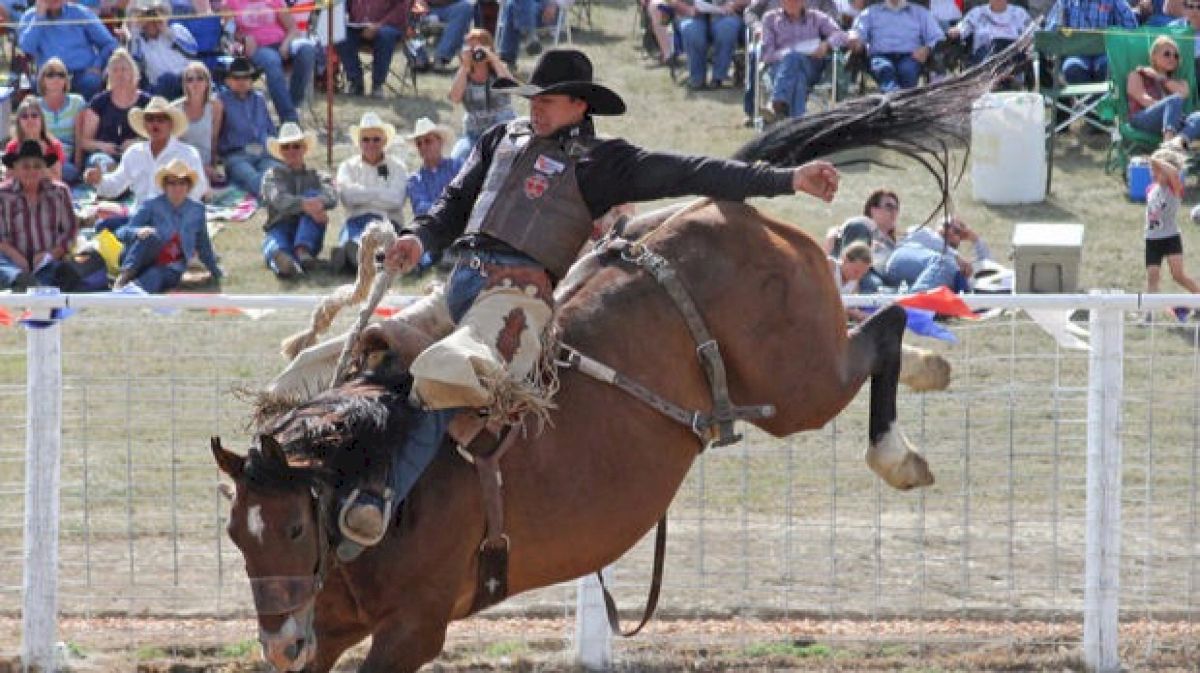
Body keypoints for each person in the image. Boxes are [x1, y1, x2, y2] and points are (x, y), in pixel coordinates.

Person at [321, 48, 840, 550]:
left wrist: (787, 179)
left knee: (443, 376)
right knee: (370, 352)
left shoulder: (603, 163)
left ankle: (376, 499)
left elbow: (697, 172)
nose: (536, 106)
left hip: (516, 303)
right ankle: (312, 471)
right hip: (459, 285)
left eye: (549, 99)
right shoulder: (501, 138)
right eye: (533, 97)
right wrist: (420, 238)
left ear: (579, 106)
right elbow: (453, 204)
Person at [83, 96, 208, 231]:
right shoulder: (134, 152)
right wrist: (98, 180)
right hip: (139, 218)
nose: (155, 124)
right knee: (102, 228)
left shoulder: (187, 153)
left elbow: (198, 188)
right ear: (144, 124)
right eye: (150, 119)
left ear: (170, 124)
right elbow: (115, 185)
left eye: (161, 120)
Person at [113, 159, 221, 292]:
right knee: (151, 236)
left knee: (154, 277)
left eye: (182, 183)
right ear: (164, 186)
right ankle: (123, 278)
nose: (177, 188)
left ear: (188, 186)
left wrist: (215, 271)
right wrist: (138, 232)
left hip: (171, 265)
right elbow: (121, 232)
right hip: (141, 258)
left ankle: (128, 292)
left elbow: (204, 244)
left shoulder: (197, 210)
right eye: (172, 183)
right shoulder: (151, 205)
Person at [333, 112, 408, 274]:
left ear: (385, 141)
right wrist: (380, 193)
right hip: (355, 220)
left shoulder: (398, 167)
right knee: (353, 236)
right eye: (365, 139)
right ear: (359, 142)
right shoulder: (347, 166)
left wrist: (362, 193)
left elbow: (396, 200)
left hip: (387, 221)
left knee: (381, 239)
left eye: (376, 139)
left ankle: (357, 257)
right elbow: (347, 197)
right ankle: (359, 255)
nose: (371, 144)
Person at [0, 141, 79, 291]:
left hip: (49, 260)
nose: (32, 171)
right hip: (10, 260)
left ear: (45, 169)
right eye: (26, 166)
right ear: (15, 169)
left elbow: (71, 230)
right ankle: (20, 281)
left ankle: (31, 284)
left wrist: (50, 254)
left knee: (61, 269)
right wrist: (17, 257)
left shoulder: (60, 192)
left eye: (37, 166)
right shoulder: (2, 194)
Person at [260, 122, 336, 277]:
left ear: (304, 148)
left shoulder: (318, 176)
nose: (291, 151)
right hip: (280, 226)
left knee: (312, 195)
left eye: (296, 146)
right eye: (286, 147)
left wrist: (315, 204)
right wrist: (305, 205)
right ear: (280, 152)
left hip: (308, 228)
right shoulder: (271, 175)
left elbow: (332, 196)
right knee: (275, 245)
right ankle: (287, 263)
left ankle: (302, 252)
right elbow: (278, 198)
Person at [224, 0, 317, 123]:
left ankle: (293, 104)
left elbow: (293, 28)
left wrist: (286, 44)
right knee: (272, 60)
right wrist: (243, 39)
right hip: (257, 48)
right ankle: (290, 120)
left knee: (307, 49)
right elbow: (228, 34)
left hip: (283, 42)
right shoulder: (230, 3)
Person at [759, 0, 847, 119]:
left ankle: (776, 103)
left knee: (795, 61)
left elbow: (841, 35)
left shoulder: (816, 17)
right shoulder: (770, 19)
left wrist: (826, 44)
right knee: (798, 75)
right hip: (779, 68)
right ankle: (797, 123)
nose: (791, 3)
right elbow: (767, 55)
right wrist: (790, 53)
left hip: (811, 66)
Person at [17, 0, 118, 100]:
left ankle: (87, 114)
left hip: (82, 72)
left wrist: (97, 65)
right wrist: (39, 18)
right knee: (39, 85)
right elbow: (26, 48)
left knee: (91, 81)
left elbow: (109, 43)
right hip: (50, 73)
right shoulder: (29, 17)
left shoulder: (80, 13)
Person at [1143, 146, 1200, 318]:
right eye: (1152, 171)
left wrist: (1156, 160)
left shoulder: (1174, 188)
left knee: (1178, 275)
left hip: (1170, 238)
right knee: (1153, 277)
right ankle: (1148, 315)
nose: (1153, 174)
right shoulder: (1151, 189)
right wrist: (1156, 164)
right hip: (1152, 239)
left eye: (1157, 171)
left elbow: (1174, 172)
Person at [77, 49, 152, 172]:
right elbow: (85, 141)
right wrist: (102, 146)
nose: (120, 74)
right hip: (104, 155)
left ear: (133, 73)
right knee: (99, 162)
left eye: (124, 69)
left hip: (137, 153)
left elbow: (158, 134)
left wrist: (137, 143)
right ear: (109, 75)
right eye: (115, 70)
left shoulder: (146, 102)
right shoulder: (99, 102)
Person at [448, 28, 517, 161]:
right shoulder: (463, 74)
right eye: (471, 48)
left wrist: (492, 58)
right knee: (457, 159)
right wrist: (465, 67)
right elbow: (455, 98)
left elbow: (512, 87)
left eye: (479, 47)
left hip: (504, 131)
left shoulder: (499, 70)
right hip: (474, 134)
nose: (476, 52)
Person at [847, 0, 944, 92]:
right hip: (881, 55)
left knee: (907, 70)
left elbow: (938, 37)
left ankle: (898, 100)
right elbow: (857, 34)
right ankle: (898, 100)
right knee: (885, 69)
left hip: (910, 56)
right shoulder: (869, 13)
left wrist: (927, 49)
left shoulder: (920, 13)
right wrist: (856, 40)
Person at [216, 57, 278, 197]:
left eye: (246, 77)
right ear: (228, 81)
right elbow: (214, 135)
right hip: (236, 155)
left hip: (263, 153)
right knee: (252, 179)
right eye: (236, 78)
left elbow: (270, 129)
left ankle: (277, 196)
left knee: (280, 172)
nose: (242, 82)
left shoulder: (260, 99)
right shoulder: (220, 101)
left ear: (251, 80)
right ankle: (276, 198)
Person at [885, 216, 991, 293]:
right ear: (936, 227)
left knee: (955, 274)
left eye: (957, 231)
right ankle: (916, 307)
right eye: (947, 225)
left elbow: (988, 267)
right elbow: (919, 234)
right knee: (945, 263)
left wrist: (975, 239)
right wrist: (956, 257)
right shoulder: (923, 233)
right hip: (900, 261)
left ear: (960, 239)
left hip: (914, 280)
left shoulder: (955, 264)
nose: (950, 231)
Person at [824, 189, 901, 291]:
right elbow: (854, 263)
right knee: (873, 285)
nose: (894, 212)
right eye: (889, 206)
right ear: (873, 210)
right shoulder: (862, 225)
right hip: (863, 276)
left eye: (896, 208)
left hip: (883, 278)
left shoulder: (892, 242)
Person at [1044, 0, 1138, 84]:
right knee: (1072, 68)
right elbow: (1049, 33)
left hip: (1105, 54)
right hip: (1076, 54)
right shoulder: (1065, 2)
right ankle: (1091, 103)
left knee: (1108, 67)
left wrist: (1116, 35)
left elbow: (1131, 29)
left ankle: (1097, 102)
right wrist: (1058, 30)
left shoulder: (1114, 2)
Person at [1127, 36, 1200, 143]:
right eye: (1167, 54)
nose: (1172, 58)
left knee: (1198, 116)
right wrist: (1170, 110)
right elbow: (1142, 98)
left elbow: (1184, 93)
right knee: (1174, 99)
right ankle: (1168, 142)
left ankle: (1177, 143)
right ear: (1154, 56)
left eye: (1176, 56)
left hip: (1173, 121)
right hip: (1143, 118)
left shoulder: (1181, 82)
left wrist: (1160, 77)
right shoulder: (1137, 75)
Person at [334, 0, 412, 97]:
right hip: (358, 27)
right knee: (339, 35)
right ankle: (355, 82)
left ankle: (377, 85)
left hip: (388, 27)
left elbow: (401, 9)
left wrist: (379, 25)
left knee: (385, 35)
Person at [126, 0, 196, 99]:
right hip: (161, 87)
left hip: (186, 80)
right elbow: (135, 63)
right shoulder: (138, 42)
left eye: (155, 15)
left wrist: (167, 32)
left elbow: (192, 52)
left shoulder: (177, 29)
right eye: (146, 17)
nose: (152, 21)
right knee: (167, 80)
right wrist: (135, 31)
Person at [674, 0, 749, 90]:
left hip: (726, 14)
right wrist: (687, 9)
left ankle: (718, 77)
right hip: (693, 14)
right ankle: (697, 79)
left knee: (727, 28)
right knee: (692, 30)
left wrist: (734, 4)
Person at [172, 61, 224, 185]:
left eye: (200, 78)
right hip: (183, 164)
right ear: (185, 84)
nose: (195, 83)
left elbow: (214, 139)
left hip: (206, 163)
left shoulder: (215, 106)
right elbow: (173, 146)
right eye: (190, 79)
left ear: (207, 82)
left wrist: (213, 166)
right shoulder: (175, 108)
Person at [35, 59, 87, 183]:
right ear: (42, 80)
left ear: (66, 80)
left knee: (69, 172)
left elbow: (79, 139)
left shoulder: (77, 102)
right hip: (41, 155)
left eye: (61, 74)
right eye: (50, 75)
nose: (56, 78)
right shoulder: (35, 105)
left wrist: (78, 167)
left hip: (65, 158)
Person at [405, 117, 463, 218]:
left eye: (428, 141)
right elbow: (420, 209)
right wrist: (450, 207)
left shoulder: (458, 167)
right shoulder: (414, 179)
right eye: (419, 144)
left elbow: (467, 197)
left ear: (440, 142)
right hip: (431, 228)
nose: (423, 147)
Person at [947, 0, 1032, 67]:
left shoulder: (1020, 13)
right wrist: (955, 31)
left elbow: (1034, 32)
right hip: (984, 62)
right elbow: (962, 28)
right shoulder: (978, 12)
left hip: (1014, 61)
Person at [7, 97, 68, 182]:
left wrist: (39, 160)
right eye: (24, 116)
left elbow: (57, 180)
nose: (30, 119)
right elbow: (9, 179)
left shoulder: (53, 145)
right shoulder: (12, 146)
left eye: (34, 115)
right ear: (19, 122)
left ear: (41, 119)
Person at [422, 0, 475, 71]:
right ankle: (419, 58)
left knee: (465, 7)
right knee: (412, 6)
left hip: (451, 7)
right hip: (426, 8)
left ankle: (441, 58)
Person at [830, 240, 872, 321]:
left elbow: (852, 307)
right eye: (856, 271)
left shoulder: (854, 281)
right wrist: (852, 312)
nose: (858, 276)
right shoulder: (831, 267)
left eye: (863, 274)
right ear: (845, 260)